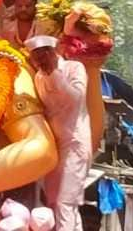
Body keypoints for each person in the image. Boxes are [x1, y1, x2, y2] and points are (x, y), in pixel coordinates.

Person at [25, 35, 91, 231]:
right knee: (54, 202)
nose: (40, 62)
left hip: (74, 144)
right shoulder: (38, 77)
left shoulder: (74, 68)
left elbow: (75, 100)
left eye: (42, 56)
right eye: (35, 58)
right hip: (55, 146)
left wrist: (55, 74)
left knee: (65, 201)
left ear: (52, 53)